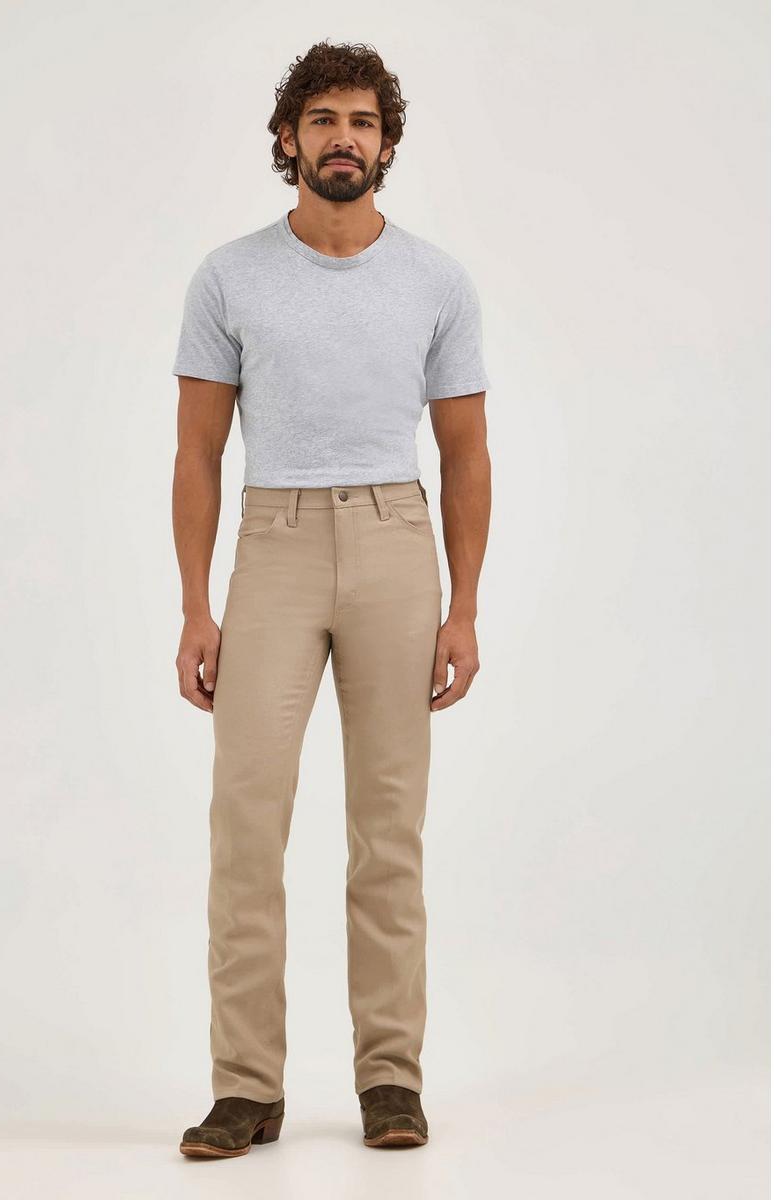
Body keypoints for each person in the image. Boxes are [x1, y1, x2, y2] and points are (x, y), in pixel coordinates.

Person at [170, 40, 492, 1158]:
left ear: (386, 144)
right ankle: (245, 1088)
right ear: (289, 140)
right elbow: (197, 453)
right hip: (275, 542)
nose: (343, 138)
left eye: (361, 121)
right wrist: (195, 607)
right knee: (246, 823)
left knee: (387, 829)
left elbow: (466, 455)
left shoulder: (437, 281)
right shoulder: (230, 277)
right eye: (322, 120)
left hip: (398, 541)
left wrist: (464, 608)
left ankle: (390, 1080)